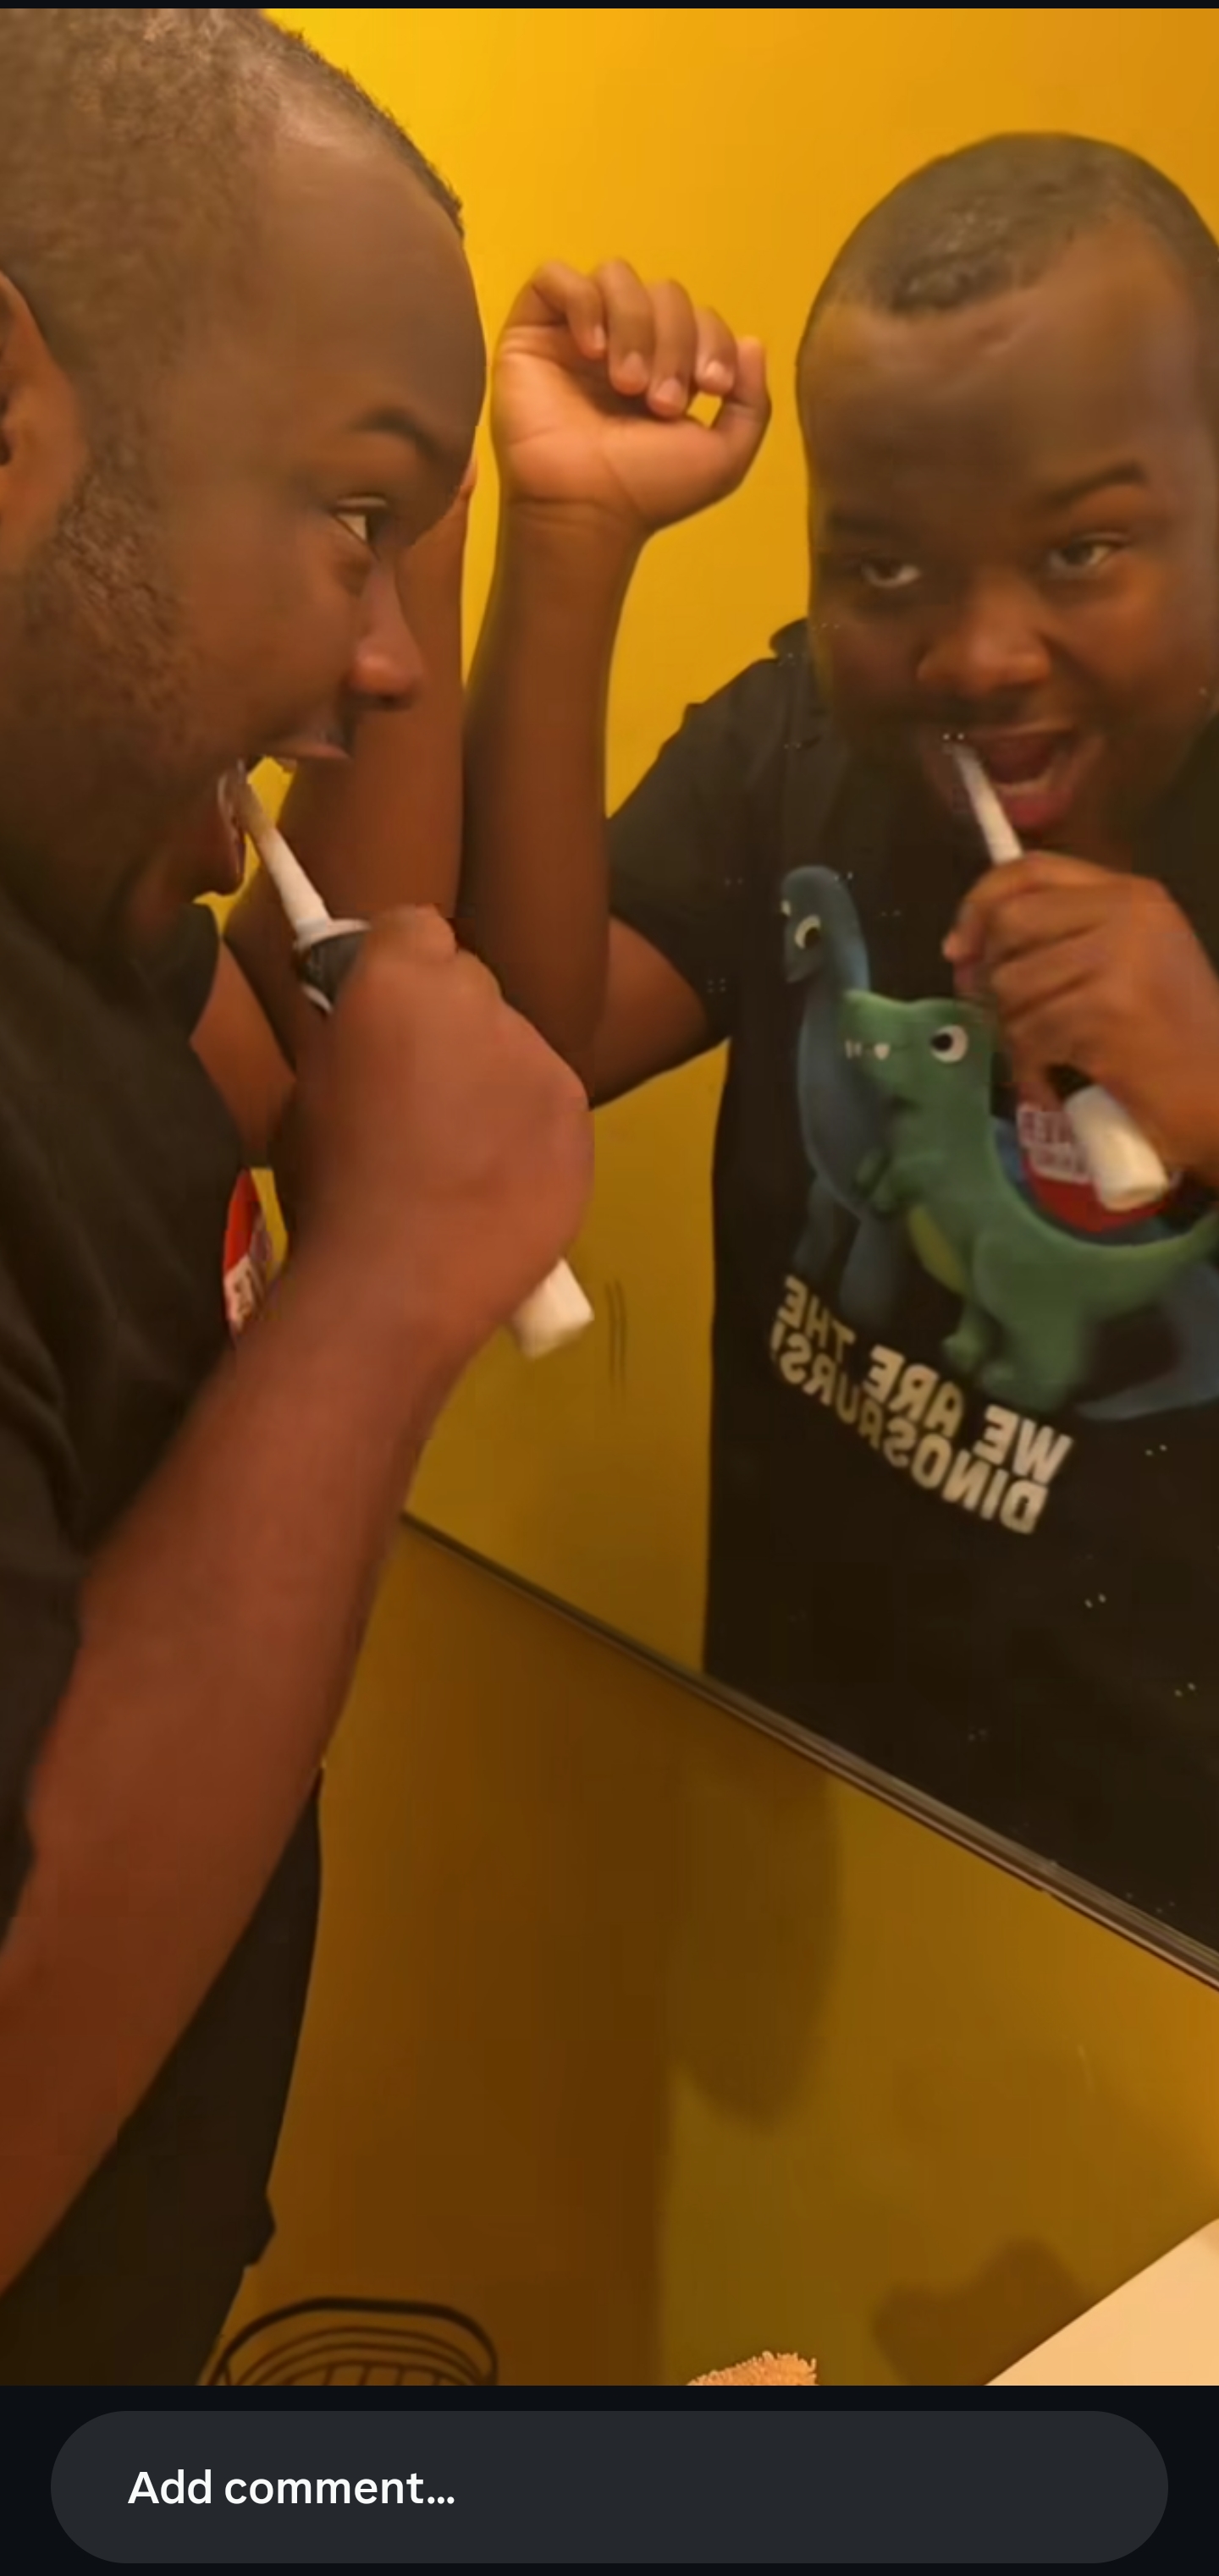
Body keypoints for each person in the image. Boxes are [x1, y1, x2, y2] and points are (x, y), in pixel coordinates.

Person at [0, 8, 589, 2384]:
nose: (382, 660)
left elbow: (314, 1059)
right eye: (358, 520)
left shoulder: (79, 911)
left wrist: (524, 525)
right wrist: (381, 1292)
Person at [460, 135, 1219, 1946]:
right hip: (819, 1826)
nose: (977, 654)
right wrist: (568, 538)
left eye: (1081, 549)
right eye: (883, 566)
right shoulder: (795, 747)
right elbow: (510, 1058)